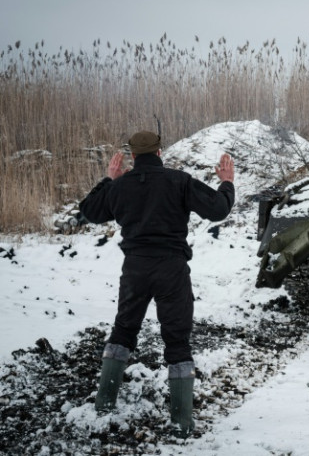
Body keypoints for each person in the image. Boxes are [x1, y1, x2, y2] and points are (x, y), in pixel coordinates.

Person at [79, 130, 235, 438]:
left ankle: (103, 404)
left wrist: (109, 179)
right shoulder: (179, 181)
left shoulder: (120, 186)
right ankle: (181, 422)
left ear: (133, 157)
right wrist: (227, 182)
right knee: (177, 341)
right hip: (172, 269)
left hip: (135, 269)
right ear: (160, 153)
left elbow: (89, 211)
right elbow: (218, 209)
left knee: (123, 330)